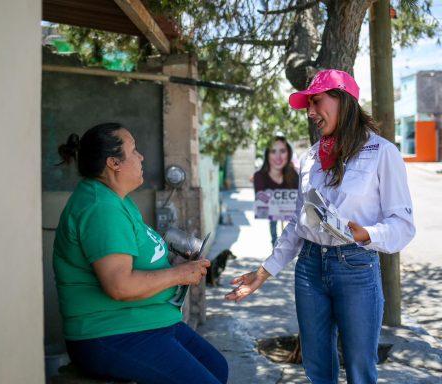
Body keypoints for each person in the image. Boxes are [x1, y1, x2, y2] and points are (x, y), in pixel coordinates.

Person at [226, 69, 415, 384]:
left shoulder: (382, 153)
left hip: (356, 266)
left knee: (359, 367)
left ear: (342, 99)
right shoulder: (311, 158)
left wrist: (368, 234)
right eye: (308, 106)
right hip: (310, 267)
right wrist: (262, 273)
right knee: (316, 366)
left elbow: (403, 226)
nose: (311, 113)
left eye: (316, 102)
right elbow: (298, 225)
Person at [53, 122, 228, 384]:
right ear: (114, 163)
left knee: (217, 367)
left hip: (147, 322)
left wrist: (175, 264)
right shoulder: (101, 209)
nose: (141, 156)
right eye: (134, 150)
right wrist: (178, 274)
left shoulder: (118, 200)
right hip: (112, 332)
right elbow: (119, 286)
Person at [253, 136, 299, 246]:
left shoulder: (293, 174)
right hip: (273, 209)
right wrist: (272, 200)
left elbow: (298, 194)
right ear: (267, 155)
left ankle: (287, 243)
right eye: (273, 151)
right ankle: (274, 243)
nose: (278, 156)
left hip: (288, 211)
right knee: (273, 223)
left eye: (282, 151)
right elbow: (259, 196)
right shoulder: (259, 176)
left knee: (291, 226)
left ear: (288, 154)